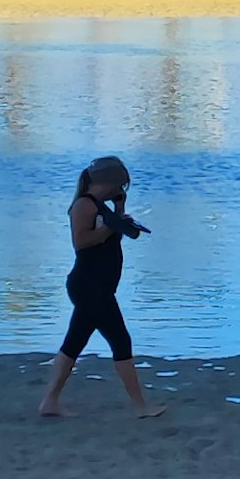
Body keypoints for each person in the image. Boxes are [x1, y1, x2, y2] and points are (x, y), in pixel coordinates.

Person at [37, 155, 165, 419]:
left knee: (73, 344)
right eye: (121, 186)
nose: (121, 191)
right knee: (120, 340)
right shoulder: (85, 205)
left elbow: (125, 231)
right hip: (90, 285)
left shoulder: (103, 207)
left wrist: (120, 211)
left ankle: (50, 401)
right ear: (110, 182)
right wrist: (108, 229)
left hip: (100, 286)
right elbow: (81, 243)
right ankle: (141, 406)